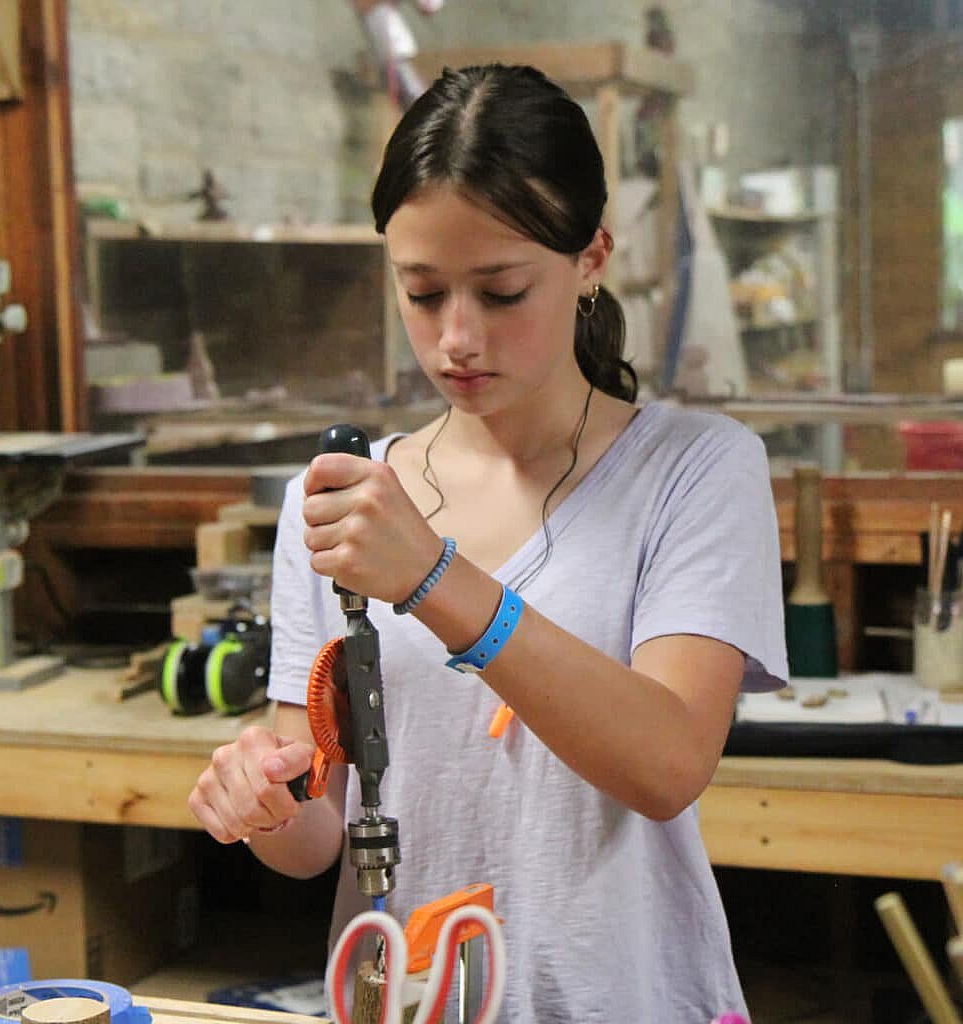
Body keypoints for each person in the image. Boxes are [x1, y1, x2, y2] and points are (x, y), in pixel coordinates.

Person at [188, 63, 787, 1022]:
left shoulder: (696, 470)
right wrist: (259, 801)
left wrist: (432, 576)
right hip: (407, 997)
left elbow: (668, 765)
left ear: (592, 257)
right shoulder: (348, 500)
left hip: (616, 996)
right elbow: (317, 833)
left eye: (502, 292)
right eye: (422, 294)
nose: (457, 338)